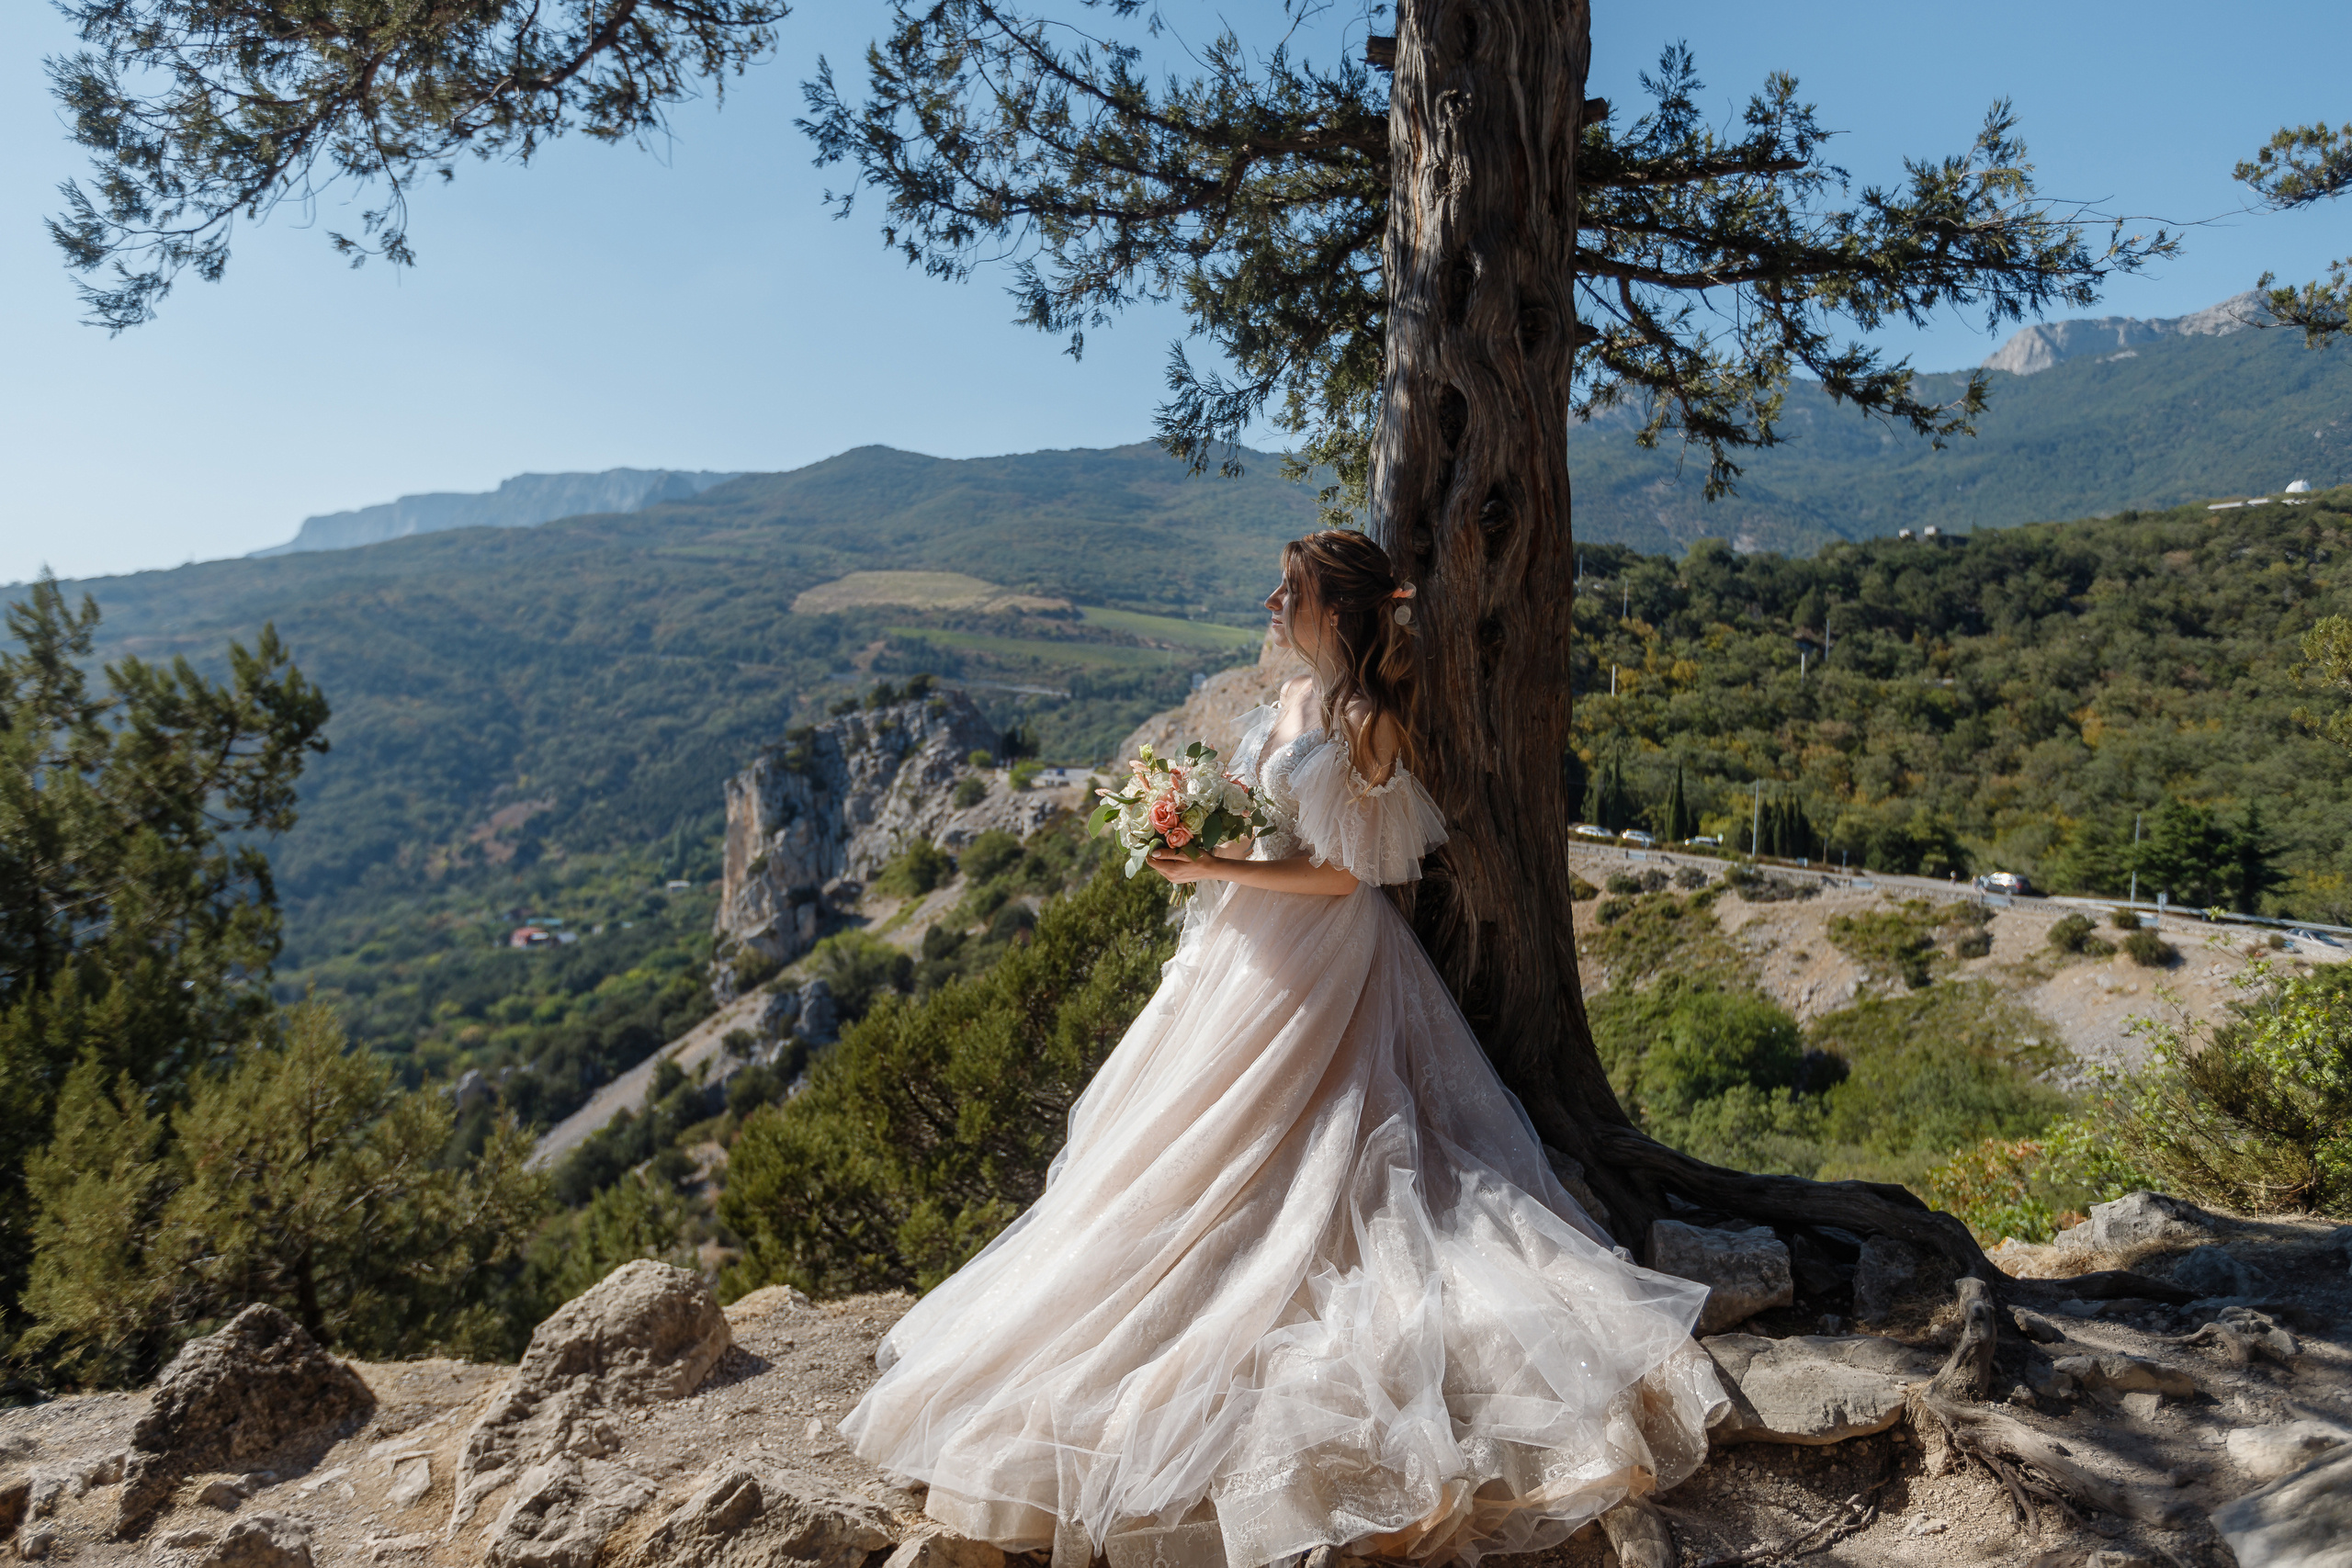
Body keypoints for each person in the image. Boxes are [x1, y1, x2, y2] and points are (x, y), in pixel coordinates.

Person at [842, 531, 1724, 1568]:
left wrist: (1214, 865)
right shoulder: (1296, 700)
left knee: (1311, 1153)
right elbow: (1274, 825)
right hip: (1244, 947)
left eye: (1289, 590)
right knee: (1177, 1143)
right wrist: (1194, 844)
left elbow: (1349, 880)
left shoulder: (1367, 718)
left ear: (1337, 610)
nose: (1271, 601)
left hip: (1322, 954)